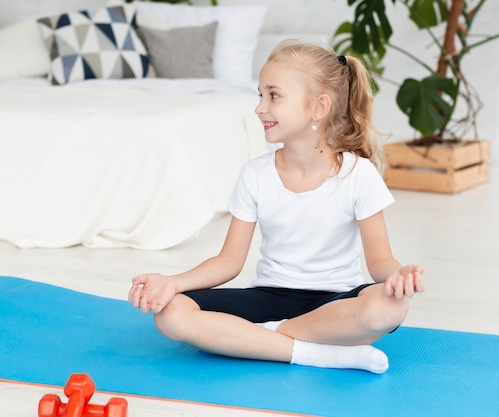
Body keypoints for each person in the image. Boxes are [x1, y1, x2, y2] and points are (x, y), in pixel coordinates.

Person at [128, 39, 425, 374]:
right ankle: (319, 353)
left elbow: (379, 260)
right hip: (269, 296)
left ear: (318, 107)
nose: (259, 108)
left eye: (274, 95)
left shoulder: (358, 174)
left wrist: (397, 276)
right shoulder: (256, 174)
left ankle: (258, 339)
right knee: (170, 312)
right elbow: (229, 261)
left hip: (334, 301)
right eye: (260, 95)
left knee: (388, 307)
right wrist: (173, 283)